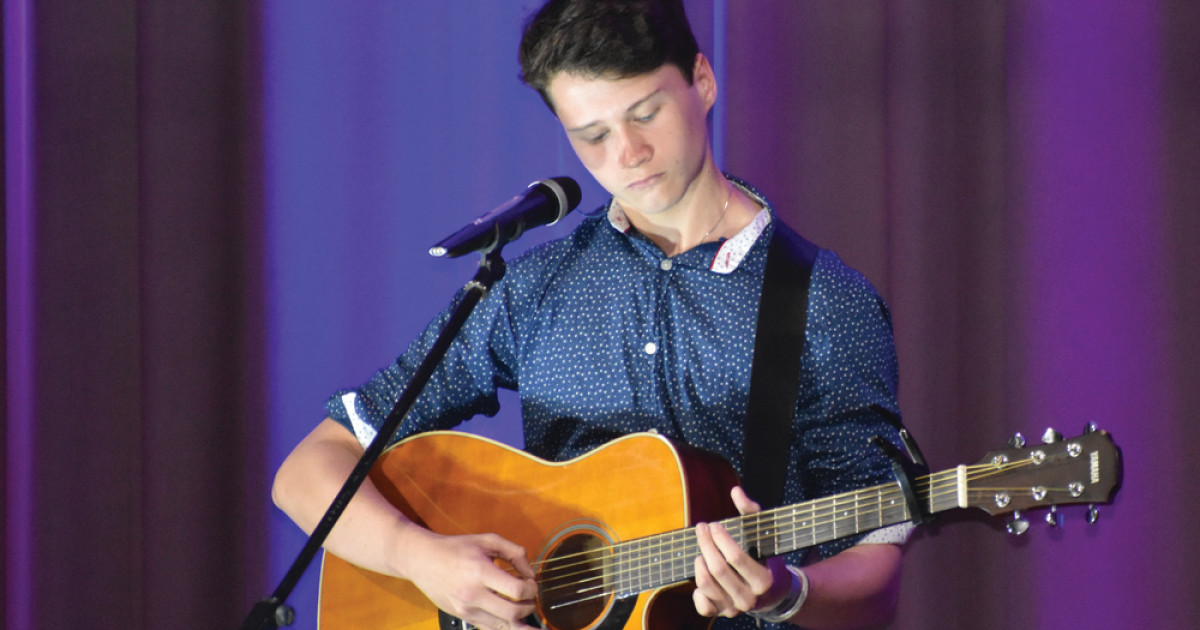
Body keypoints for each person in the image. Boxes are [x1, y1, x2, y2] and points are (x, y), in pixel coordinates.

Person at [272, 1, 912, 628]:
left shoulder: (824, 302)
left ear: (702, 80)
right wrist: (419, 558)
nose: (628, 152)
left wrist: (785, 592)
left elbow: (876, 567)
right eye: (593, 135)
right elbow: (307, 469)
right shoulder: (538, 287)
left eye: (646, 113)